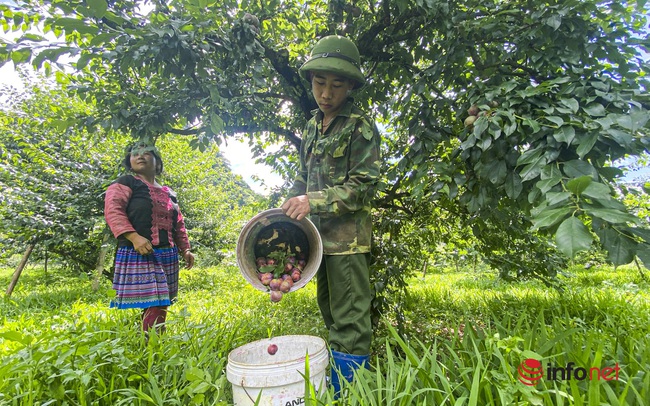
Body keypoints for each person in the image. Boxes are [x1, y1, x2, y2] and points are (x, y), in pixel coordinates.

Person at [281, 35, 381, 394]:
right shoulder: (312, 126)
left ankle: (350, 393)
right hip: (317, 240)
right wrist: (288, 206)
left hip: (347, 242)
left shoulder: (360, 127)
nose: (326, 93)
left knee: (351, 320)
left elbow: (363, 186)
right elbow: (302, 178)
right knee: (330, 312)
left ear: (350, 85)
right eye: (320, 83)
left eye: (336, 85)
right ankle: (337, 385)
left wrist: (313, 202)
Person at [104, 142, 195, 335]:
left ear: (157, 162)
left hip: (167, 253)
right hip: (139, 251)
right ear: (129, 162)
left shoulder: (169, 193)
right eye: (134, 154)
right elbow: (113, 211)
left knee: (159, 301)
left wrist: (185, 249)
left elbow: (178, 222)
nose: (140, 156)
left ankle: (147, 340)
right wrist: (134, 237)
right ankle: (153, 344)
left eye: (147, 153)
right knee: (157, 300)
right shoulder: (126, 183)